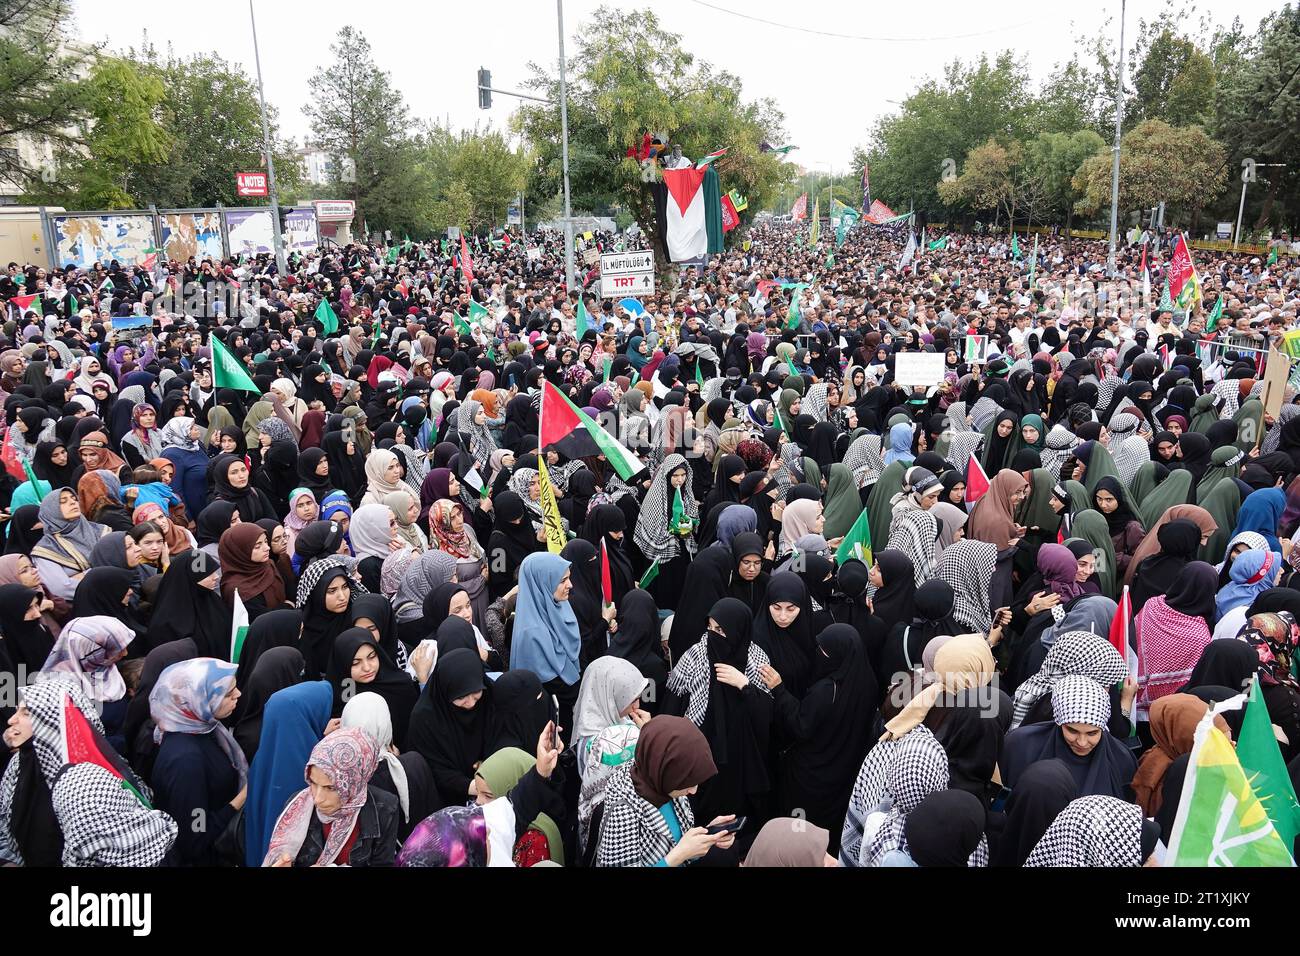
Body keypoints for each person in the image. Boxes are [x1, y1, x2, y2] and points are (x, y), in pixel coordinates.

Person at [594, 715, 738, 867]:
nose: (693, 791)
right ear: (663, 769)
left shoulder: (660, 781)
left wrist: (708, 834)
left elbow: (679, 840)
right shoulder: (622, 809)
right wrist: (678, 856)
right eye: (687, 782)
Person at [148, 658, 247, 866]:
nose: (238, 695)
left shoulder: (199, 728)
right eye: (228, 694)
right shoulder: (186, 762)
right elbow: (196, 833)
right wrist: (241, 799)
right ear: (196, 699)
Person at [263, 727, 400, 867]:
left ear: (354, 781)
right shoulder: (296, 808)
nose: (317, 799)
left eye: (331, 788)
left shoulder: (385, 809)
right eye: (313, 783)